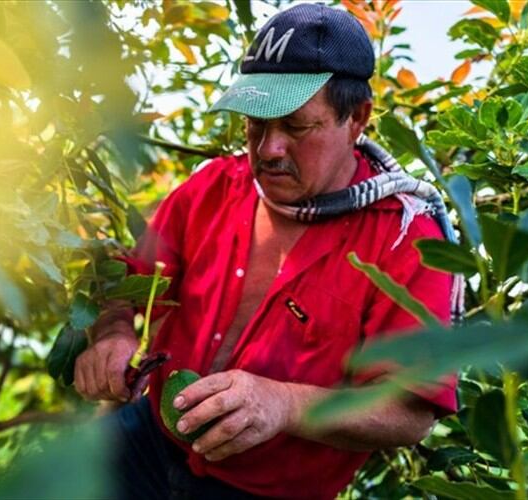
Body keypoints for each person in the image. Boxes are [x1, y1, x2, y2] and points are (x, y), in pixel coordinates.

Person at [74, 3, 461, 499]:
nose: (268, 149)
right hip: (146, 441)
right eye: (256, 124)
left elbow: (409, 413)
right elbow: (126, 279)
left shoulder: (405, 238)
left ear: (357, 118)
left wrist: (284, 404)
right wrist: (113, 331)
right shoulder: (214, 186)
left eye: (296, 127)